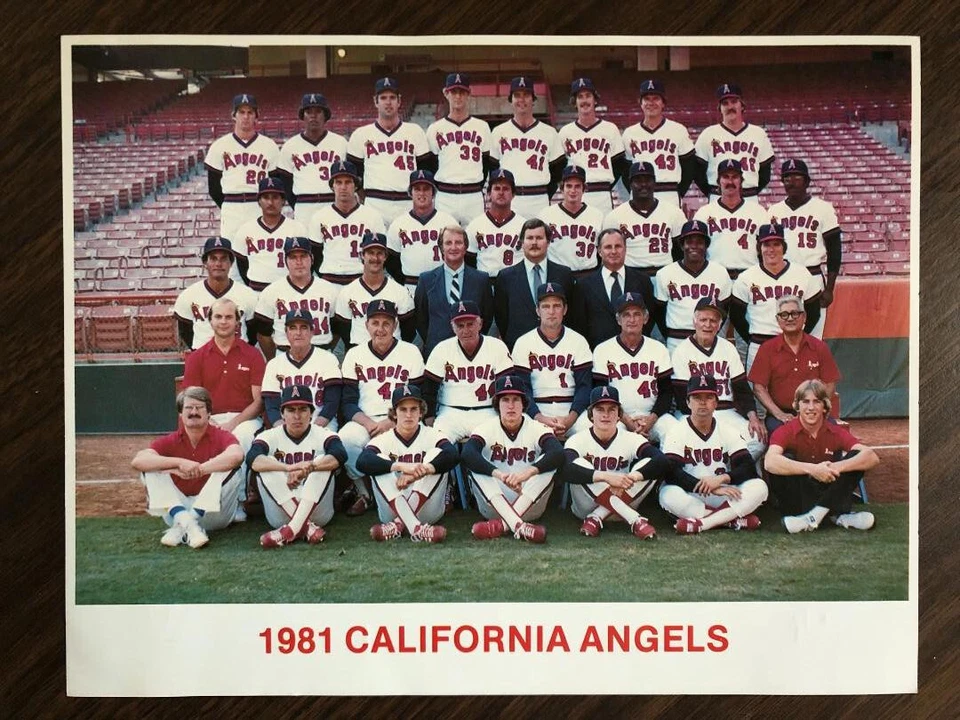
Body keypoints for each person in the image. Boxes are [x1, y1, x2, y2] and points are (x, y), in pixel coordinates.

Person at [181, 297, 266, 522]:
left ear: (238, 321)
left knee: (241, 437)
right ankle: (197, 497)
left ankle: (237, 501)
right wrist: (209, 422)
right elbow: (192, 400)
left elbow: (258, 402)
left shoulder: (253, 355)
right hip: (209, 418)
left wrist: (232, 424)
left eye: (229, 317)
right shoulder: (197, 357)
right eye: (218, 316)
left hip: (245, 420)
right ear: (209, 321)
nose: (223, 321)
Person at [339, 300, 425, 515]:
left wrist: (391, 421)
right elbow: (348, 403)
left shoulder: (410, 351)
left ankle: (408, 493)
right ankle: (364, 493)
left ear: (395, 325)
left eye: (386, 323)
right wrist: (368, 423)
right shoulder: (354, 355)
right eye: (375, 323)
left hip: (402, 418)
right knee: (345, 439)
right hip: (366, 420)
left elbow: (419, 398)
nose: (380, 329)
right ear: (366, 325)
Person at [131, 386, 244, 548]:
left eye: (199, 408)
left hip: (214, 514)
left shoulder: (221, 436)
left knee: (230, 467)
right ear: (180, 413)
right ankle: (189, 524)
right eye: (188, 408)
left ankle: (184, 525)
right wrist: (178, 463)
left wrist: (200, 469)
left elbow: (237, 455)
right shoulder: (171, 440)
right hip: (177, 511)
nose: (193, 412)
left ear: (209, 413)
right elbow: (138, 461)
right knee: (150, 468)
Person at [765, 380, 879, 533]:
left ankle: (814, 518)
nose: (811, 407)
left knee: (857, 457)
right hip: (798, 501)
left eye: (816, 402)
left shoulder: (834, 431)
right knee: (785, 458)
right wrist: (813, 469)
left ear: (824, 406)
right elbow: (770, 462)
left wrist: (835, 467)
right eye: (805, 402)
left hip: (826, 492)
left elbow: (871, 457)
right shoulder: (785, 431)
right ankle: (838, 518)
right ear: (797, 406)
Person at [659, 375, 769, 534]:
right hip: (691, 493)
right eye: (697, 397)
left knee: (759, 487)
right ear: (688, 402)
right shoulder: (676, 431)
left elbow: (748, 468)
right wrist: (709, 488)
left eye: (709, 397)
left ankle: (703, 524)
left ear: (716, 403)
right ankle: (730, 520)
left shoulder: (727, 430)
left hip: (724, 492)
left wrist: (722, 479)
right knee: (668, 494)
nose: (703, 402)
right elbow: (672, 474)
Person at [461, 375, 566, 543]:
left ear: (524, 404)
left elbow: (558, 453)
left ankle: (501, 526)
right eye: (505, 400)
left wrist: (525, 474)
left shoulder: (536, 427)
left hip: (530, 505)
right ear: (497, 404)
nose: (510, 406)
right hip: (493, 505)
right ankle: (519, 526)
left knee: (549, 466)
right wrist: (500, 475)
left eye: (516, 399)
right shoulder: (486, 428)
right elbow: (468, 454)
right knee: (476, 467)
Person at [559, 386, 671, 538]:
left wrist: (634, 477)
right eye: (600, 409)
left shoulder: (631, 438)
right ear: (591, 414)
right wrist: (605, 477)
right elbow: (565, 469)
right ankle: (634, 519)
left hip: (625, 496)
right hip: (586, 505)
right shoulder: (577, 439)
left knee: (646, 465)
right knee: (580, 464)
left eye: (612, 409)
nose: (606, 415)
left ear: (619, 415)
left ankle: (597, 517)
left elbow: (662, 460)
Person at [357, 385, 460, 543]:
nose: (408, 415)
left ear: (421, 412)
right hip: (392, 509)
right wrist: (400, 466)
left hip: (428, 510)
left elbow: (452, 454)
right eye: (403, 409)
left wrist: (423, 470)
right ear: (394, 413)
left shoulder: (431, 434)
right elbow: (362, 461)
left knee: (435, 455)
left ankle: (398, 525)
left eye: (414, 409)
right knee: (380, 460)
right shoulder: (384, 439)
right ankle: (417, 529)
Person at [248, 384, 347, 547]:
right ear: (282, 414)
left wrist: (309, 467)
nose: (297, 416)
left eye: (302, 409)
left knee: (322, 460)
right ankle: (305, 528)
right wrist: (288, 468)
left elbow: (340, 455)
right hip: (280, 513)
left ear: (311, 413)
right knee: (268, 465)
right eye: (291, 410)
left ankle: (291, 530)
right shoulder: (269, 435)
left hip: (318, 512)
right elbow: (252, 460)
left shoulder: (324, 434)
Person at [671, 297, 766, 460]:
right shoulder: (681, 351)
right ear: (694, 321)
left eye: (713, 321)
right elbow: (682, 399)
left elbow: (742, 388)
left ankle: (727, 472)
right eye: (703, 320)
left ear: (720, 324)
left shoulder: (727, 348)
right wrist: (705, 419)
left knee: (758, 440)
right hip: (693, 413)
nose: (708, 325)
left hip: (726, 411)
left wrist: (752, 416)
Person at [730, 224, 822, 373]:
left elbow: (814, 312)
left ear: (784, 247)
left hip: (793, 344)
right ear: (760, 247)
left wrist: (798, 336)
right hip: (760, 343)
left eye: (776, 244)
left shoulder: (802, 274)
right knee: (758, 393)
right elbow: (736, 316)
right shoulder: (746, 277)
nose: (771, 249)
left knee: (793, 392)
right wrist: (752, 340)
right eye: (766, 244)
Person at [767, 158, 843, 339]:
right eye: (787, 178)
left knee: (813, 337)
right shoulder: (773, 211)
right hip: (782, 278)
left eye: (796, 177)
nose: (791, 182)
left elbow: (835, 249)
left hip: (812, 275)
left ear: (807, 181)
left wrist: (830, 288)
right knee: (781, 335)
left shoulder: (822, 208)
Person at [748, 295, 842, 434]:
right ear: (778, 320)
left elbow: (830, 382)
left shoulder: (819, 347)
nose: (790, 318)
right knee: (784, 450)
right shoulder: (767, 349)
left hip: (814, 412)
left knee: (833, 442)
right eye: (784, 315)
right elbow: (758, 387)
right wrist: (778, 414)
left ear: (803, 317)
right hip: (781, 416)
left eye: (795, 313)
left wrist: (817, 409)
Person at [423, 300, 514, 443]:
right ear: (453, 328)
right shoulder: (442, 349)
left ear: (480, 324)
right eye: (460, 326)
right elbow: (429, 389)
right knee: (436, 445)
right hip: (450, 413)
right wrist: (429, 417)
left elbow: (507, 387)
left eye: (470, 324)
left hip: (487, 411)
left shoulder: (496, 347)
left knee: (496, 445)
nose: (466, 330)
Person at [591, 292, 677, 443]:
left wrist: (650, 421)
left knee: (674, 431)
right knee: (611, 435)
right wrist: (628, 422)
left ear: (646, 318)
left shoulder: (658, 349)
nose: (632, 319)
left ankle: (666, 467)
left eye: (637, 314)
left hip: (653, 416)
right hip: (618, 417)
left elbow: (666, 392)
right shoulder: (603, 350)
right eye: (626, 315)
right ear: (618, 319)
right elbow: (602, 393)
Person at [346, 77, 434, 224]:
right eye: (383, 98)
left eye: (392, 97)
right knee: (375, 247)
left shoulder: (415, 132)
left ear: (399, 101)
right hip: (375, 203)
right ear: (375, 101)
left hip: (407, 202)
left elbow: (426, 170)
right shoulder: (360, 135)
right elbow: (355, 175)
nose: (388, 102)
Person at [512, 283, 593, 439]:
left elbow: (585, 387)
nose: (551, 311)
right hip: (537, 410)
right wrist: (540, 418)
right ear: (537, 310)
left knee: (592, 432)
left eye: (557, 306)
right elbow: (523, 389)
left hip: (573, 411)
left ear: (565, 310)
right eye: (545, 306)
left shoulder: (578, 341)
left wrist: (570, 420)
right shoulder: (523, 343)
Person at [204, 94, 280, 239]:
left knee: (260, 253)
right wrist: (229, 204)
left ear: (257, 116)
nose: (246, 117)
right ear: (233, 115)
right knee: (232, 255)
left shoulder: (269, 146)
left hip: (259, 206)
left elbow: (276, 184)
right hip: (232, 206)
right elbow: (213, 188)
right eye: (241, 112)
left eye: (250, 112)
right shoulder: (219, 146)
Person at [253, 236, 341, 359]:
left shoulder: (330, 290)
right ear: (285, 261)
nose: (299, 262)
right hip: (284, 355)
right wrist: (275, 359)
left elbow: (336, 329)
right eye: (293, 257)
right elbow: (263, 334)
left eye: (303, 256)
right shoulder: (271, 292)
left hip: (322, 355)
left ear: (312, 258)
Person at [493, 218, 574, 351]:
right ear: (522, 243)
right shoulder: (505, 277)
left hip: (558, 348)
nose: (534, 243)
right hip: (519, 349)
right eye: (530, 238)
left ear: (548, 242)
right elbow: (502, 317)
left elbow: (571, 315)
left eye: (539, 238)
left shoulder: (564, 274)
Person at [489, 76, 565, 218]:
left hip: (539, 198)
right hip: (511, 199)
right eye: (517, 95)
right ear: (511, 100)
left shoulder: (549, 132)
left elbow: (558, 169)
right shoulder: (499, 132)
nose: (522, 99)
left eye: (526, 95)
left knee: (539, 239)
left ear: (533, 100)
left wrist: (545, 192)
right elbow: (492, 168)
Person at [414, 224, 494, 359]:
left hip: (473, 353)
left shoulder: (481, 279)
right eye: (448, 243)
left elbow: (487, 316)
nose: (453, 247)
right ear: (441, 248)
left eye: (458, 242)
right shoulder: (426, 280)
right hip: (436, 353)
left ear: (465, 247)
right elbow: (421, 319)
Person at [653, 219, 732, 354]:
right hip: (677, 339)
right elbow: (659, 312)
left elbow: (724, 308)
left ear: (706, 245)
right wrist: (671, 334)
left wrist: (710, 332)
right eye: (689, 242)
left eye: (699, 242)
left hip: (710, 339)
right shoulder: (665, 274)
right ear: (682, 245)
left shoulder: (720, 272)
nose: (694, 246)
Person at [568, 228, 657, 346]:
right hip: (598, 352)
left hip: (635, 352)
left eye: (618, 246)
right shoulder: (584, 285)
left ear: (625, 249)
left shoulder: (642, 281)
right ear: (599, 251)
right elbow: (579, 323)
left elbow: (649, 317)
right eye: (608, 247)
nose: (613, 251)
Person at [427, 72, 494, 225]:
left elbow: (486, 164)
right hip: (445, 194)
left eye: (462, 92)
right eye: (454, 92)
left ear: (468, 94)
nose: (458, 96)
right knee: (444, 241)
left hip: (473, 194)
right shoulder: (435, 129)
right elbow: (431, 165)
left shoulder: (482, 127)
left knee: (475, 242)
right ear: (446, 93)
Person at [259, 308, 342, 430]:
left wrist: (311, 430)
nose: (298, 332)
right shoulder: (274, 364)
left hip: (322, 424)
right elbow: (272, 407)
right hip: (286, 428)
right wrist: (286, 431)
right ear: (286, 333)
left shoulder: (328, 359)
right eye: (293, 328)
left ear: (312, 332)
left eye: (303, 327)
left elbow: (332, 402)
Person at [693, 83, 775, 205]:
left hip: (749, 197)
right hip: (718, 197)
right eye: (725, 103)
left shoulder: (758, 133)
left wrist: (748, 192)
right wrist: (715, 193)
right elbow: (698, 173)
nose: (730, 106)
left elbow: (765, 174)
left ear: (742, 105)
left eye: (734, 101)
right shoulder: (708, 134)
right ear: (719, 108)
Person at [308, 160, 386, 286]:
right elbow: (315, 255)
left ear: (355, 185)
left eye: (348, 182)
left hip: (362, 281)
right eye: (338, 182)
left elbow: (381, 254)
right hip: (330, 281)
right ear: (332, 186)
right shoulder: (319, 217)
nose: (343, 187)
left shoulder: (372, 216)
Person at [276, 93, 348, 228]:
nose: (313, 116)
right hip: (304, 206)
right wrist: (298, 203)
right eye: (309, 111)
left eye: (318, 111)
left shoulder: (340, 143)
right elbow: (285, 183)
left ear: (325, 115)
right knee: (305, 248)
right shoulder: (290, 146)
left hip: (333, 203)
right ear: (302, 115)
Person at [173, 237, 259, 350]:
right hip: (202, 357)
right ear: (205, 262)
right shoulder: (189, 295)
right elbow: (186, 332)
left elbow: (253, 334)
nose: (218, 263)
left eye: (223, 259)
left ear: (231, 263)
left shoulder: (247, 295)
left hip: (238, 356)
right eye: (213, 259)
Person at [621, 79, 696, 208]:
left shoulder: (678, 130)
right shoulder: (629, 133)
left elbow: (689, 168)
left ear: (663, 103)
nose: (651, 103)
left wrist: (678, 191)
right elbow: (625, 171)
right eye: (647, 99)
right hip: (639, 194)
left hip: (669, 191)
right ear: (641, 103)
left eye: (656, 98)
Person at [333, 232, 415, 349]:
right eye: (370, 253)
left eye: (380, 253)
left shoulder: (400, 291)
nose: (375, 258)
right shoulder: (348, 292)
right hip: (359, 352)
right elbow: (344, 329)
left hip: (393, 353)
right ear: (362, 255)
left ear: (385, 256)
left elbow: (408, 331)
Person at [557, 77, 627, 213]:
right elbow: (559, 166)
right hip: (575, 194)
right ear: (574, 102)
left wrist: (605, 182)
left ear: (595, 100)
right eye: (580, 97)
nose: (584, 100)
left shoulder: (610, 129)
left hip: (602, 194)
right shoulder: (565, 132)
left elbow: (619, 164)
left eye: (588, 96)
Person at [602, 161, 686, 274]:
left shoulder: (674, 212)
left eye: (647, 180)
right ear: (630, 184)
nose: (643, 184)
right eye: (638, 181)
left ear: (654, 182)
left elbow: (679, 251)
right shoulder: (615, 216)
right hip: (632, 275)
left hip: (665, 273)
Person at [693, 159, 771, 281]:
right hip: (715, 277)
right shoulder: (704, 213)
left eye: (735, 177)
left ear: (741, 181)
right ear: (718, 181)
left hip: (749, 276)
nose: (730, 182)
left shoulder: (758, 212)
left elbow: (766, 249)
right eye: (725, 177)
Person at [385, 170, 457, 295]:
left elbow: (460, 256)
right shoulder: (398, 224)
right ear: (410, 193)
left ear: (433, 193)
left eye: (426, 189)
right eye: (417, 189)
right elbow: (391, 262)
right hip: (411, 285)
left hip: (442, 284)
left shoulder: (448, 222)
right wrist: (405, 280)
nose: (422, 193)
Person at [231, 177, 308, 291]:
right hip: (257, 290)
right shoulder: (245, 230)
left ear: (283, 200)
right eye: (266, 197)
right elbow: (242, 266)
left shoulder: (297, 228)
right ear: (259, 201)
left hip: (287, 290)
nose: (270, 202)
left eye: (275, 197)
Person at [537, 165, 604, 277]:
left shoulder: (597, 215)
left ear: (584, 189)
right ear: (562, 188)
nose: (573, 191)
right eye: (569, 186)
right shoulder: (545, 215)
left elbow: (601, 250)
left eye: (577, 186)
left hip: (589, 274)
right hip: (558, 275)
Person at [464, 168, 526, 275]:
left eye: (506, 189)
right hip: (485, 284)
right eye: (497, 188)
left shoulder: (523, 225)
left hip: (514, 283)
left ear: (513, 194)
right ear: (488, 193)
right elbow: (469, 262)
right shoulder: (475, 225)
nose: (501, 192)